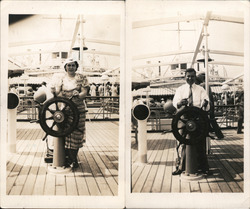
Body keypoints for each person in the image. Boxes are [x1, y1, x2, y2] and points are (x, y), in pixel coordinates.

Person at [50, 58, 89, 168]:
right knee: (66, 134)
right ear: (65, 67)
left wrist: (78, 95)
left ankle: (72, 158)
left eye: (73, 65)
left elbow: (84, 93)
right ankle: (70, 159)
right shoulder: (61, 79)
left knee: (77, 134)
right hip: (65, 110)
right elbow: (58, 93)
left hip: (79, 109)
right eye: (69, 65)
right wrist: (53, 91)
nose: (71, 67)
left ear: (76, 67)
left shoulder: (82, 78)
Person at [172, 68, 210, 175]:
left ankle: (204, 168)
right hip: (183, 118)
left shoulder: (201, 89)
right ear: (185, 77)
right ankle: (180, 167)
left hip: (197, 119)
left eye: (192, 76)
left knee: (200, 142)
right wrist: (179, 103)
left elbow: (206, 102)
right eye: (188, 76)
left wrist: (205, 104)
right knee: (181, 142)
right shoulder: (180, 89)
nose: (190, 78)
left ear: (195, 77)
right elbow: (175, 103)